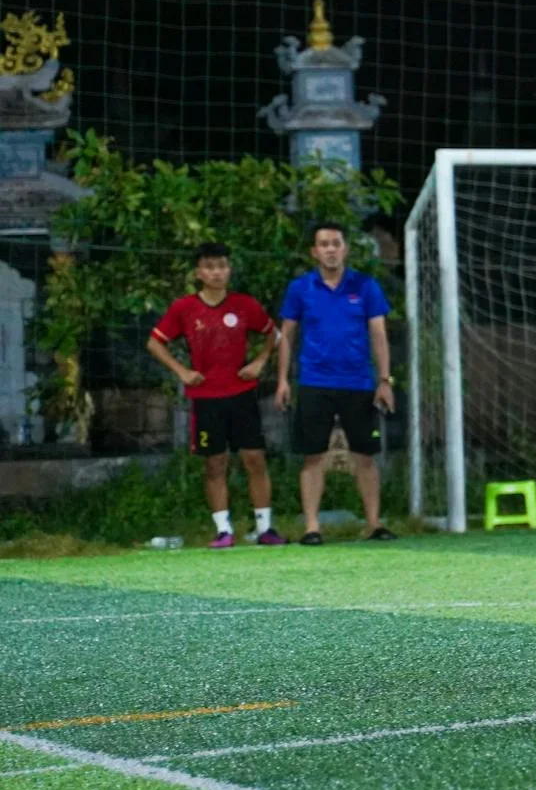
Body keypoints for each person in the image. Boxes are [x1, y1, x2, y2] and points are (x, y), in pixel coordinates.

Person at [147, 242, 283, 547]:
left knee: (254, 458)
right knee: (215, 463)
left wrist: (259, 362)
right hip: (206, 398)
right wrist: (182, 372)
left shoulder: (244, 305)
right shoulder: (184, 308)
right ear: (199, 273)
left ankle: (265, 528)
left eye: (221, 266)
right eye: (209, 267)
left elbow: (274, 335)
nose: (216, 273)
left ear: (229, 270)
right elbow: (154, 343)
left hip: (242, 394)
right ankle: (223, 530)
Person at [274, 223, 397, 545]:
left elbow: (379, 335)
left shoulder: (366, 286)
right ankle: (312, 527)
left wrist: (385, 380)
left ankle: (373, 524)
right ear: (314, 251)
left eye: (336, 243)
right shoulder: (300, 288)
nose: (330, 249)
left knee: (365, 455)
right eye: (324, 244)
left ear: (345, 249)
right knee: (313, 455)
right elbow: (287, 336)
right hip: (314, 382)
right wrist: (282, 380)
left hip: (358, 383)